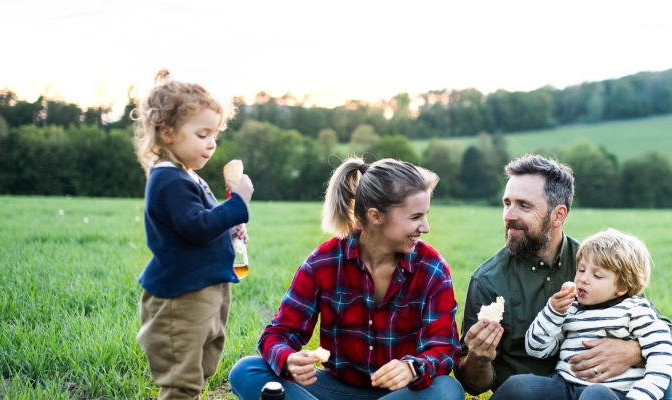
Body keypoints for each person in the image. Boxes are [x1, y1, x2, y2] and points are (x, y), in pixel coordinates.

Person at [456, 154, 672, 400]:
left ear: (558, 215)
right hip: (543, 392)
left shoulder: (598, 262)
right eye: (507, 203)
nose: (509, 215)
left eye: (523, 205)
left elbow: (667, 334)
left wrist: (632, 352)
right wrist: (479, 359)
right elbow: (473, 383)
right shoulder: (488, 281)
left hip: (614, 388)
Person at [228, 157, 464, 400]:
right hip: (335, 389)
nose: (425, 227)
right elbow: (279, 333)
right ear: (375, 216)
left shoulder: (432, 269)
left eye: (425, 215)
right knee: (247, 371)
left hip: (402, 394)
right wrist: (287, 358)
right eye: (415, 217)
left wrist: (411, 368)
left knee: (447, 389)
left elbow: (444, 348)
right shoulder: (323, 263)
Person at [133, 69, 253, 400]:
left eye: (214, 135)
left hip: (205, 289)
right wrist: (238, 204)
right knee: (181, 380)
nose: (212, 144)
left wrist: (229, 226)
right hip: (181, 298)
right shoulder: (168, 180)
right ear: (167, 133)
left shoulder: (186, 176)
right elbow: (195, 227)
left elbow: (203, 223)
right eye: (202, 134)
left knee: (200, 368)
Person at [492, 229, 672, 400]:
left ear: (622, 287)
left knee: (595, 394)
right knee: (518, 385)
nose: (583, 279)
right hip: (564, 386)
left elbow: (663, 356)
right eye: (581, 270)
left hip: (612, 393)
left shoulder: (635, 311)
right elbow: (536, 349)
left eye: (597, 276)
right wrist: (553, 312)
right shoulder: (572, 308)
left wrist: (641, 396)